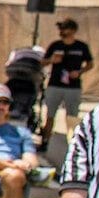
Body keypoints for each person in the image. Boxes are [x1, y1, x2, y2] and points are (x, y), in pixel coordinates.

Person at [39, 17, 92, 147]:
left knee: (72, 117)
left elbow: (90, 63)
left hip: (73, 87)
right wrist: (52, 60)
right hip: (55, 84)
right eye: (61, 28)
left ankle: (73, 144)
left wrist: (79, 72)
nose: (62, 31)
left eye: (65, 28)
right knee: (50, 114)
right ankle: (45, 141)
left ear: (73, 30)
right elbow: (42, 62)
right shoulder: (55, 45)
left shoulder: (81, 46)